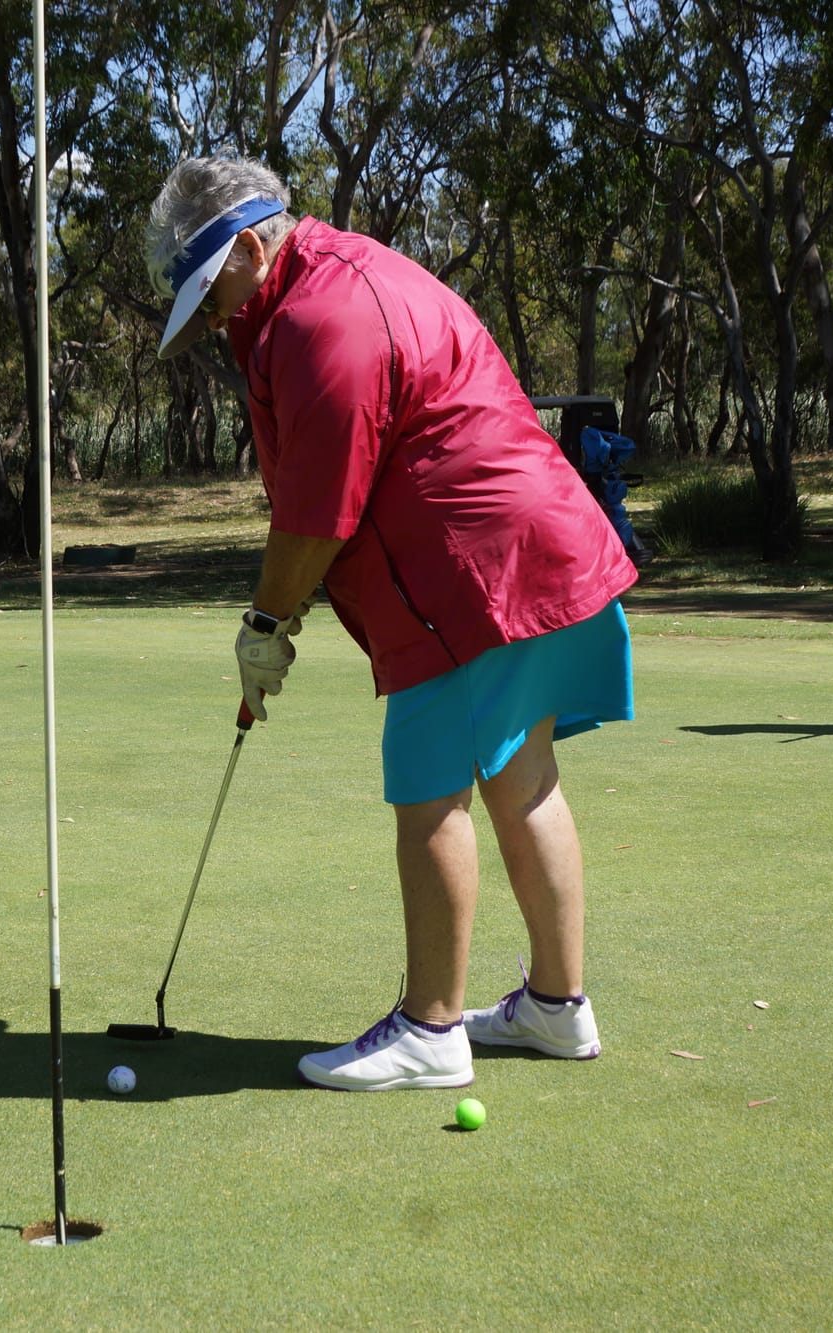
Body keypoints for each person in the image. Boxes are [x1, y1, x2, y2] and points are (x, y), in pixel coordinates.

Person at [145, 154, 640, 1091]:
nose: (215, 325)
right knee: (523, 777)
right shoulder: (340, 273)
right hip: (538, 546)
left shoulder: (317, 320)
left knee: (429, 796)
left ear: (252, 246)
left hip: (469, 577)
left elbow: (316, 511)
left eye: (214, 299)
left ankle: (431, 1028)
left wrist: (265, 622)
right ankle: (555, 1007)